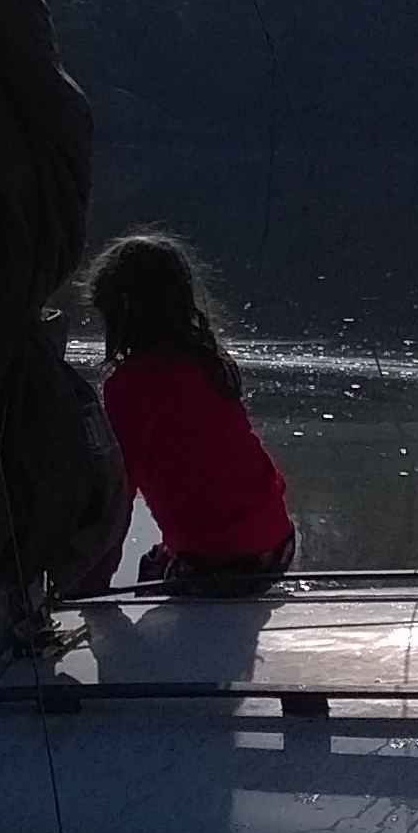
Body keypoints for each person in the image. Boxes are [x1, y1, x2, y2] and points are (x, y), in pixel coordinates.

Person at [82, 233, 293, 592]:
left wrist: (92, 586)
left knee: (149, 578)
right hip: (278, 543)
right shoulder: (209, 363)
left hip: (221, 563)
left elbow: (119, 494)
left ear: (120, 310)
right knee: (158, 561)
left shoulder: (129, 385)